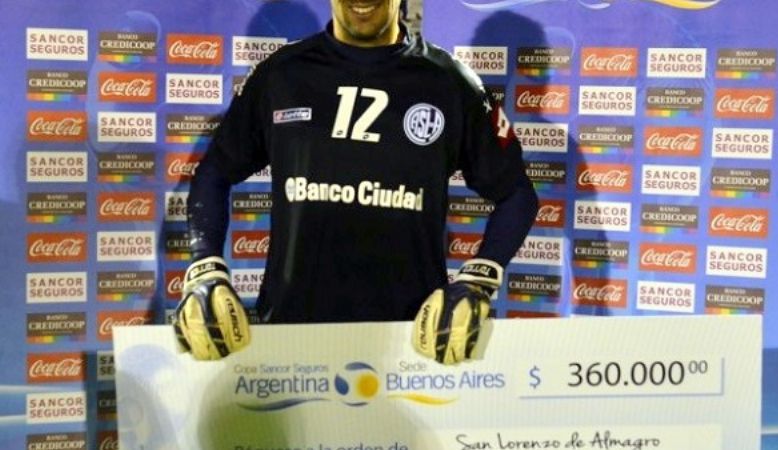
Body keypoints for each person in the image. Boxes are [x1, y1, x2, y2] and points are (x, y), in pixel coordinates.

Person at [173, 0, 538, 365]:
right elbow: (213, 173)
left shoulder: (449, 81)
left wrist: (478, 279)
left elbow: (516, 194)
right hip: (291, 342)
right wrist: (205, 268)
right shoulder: (281, 74)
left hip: (412, 345)